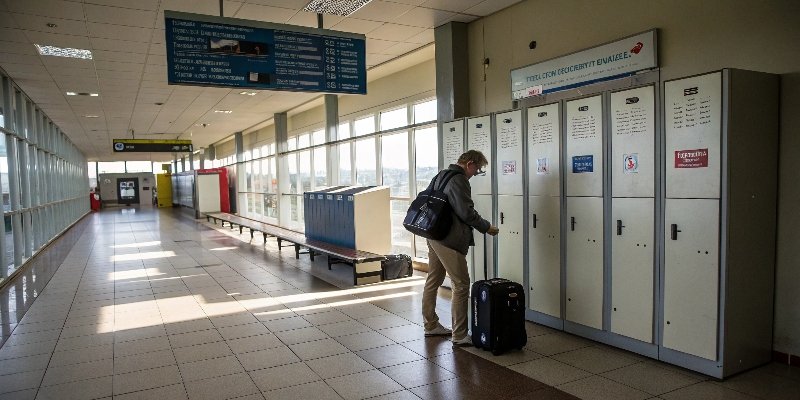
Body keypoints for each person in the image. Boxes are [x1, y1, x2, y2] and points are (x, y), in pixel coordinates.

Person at [422, 150, 499, 346]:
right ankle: (460, 334)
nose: (476, 173)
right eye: (478, 169)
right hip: (448, 238)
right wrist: (486, 227)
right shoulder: (459, 179)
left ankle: (431, 325)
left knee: (434, 279)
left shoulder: (441, 175)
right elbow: (466, 212)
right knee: (462, 284)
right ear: (469, 163)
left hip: (433, 233)